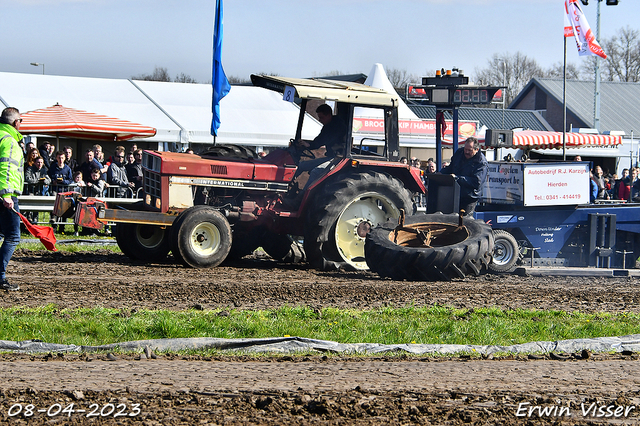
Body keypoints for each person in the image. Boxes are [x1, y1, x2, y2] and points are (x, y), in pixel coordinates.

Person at [284, 104, 347, 207]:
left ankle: (300, 201)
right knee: (301, 166)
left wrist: (309, 145)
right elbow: (319, 140)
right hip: (330, 156)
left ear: (328, 115)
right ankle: (287, 190)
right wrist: (306, 144)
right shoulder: (328, 125)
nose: (320, 120)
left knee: (315, 172)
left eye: (321, 117)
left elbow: (326, 140)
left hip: (338, 158)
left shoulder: (338, 126)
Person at [0, 107, 24, 291]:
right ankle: (0, 276)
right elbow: (6, 169)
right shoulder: (9, 140)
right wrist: (6, 195)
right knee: (13, 236)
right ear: (16, 123)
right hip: (6, 195)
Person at [440, 137, 489, 216]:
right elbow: (451, 167)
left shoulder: (481, 163)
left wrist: (457, 178)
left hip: (470, 197)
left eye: (469, 150)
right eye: (465, 149)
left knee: (465, 221)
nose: (466, 152)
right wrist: (441, 173)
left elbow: (476, 182)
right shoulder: (460, 153)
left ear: (476, 150)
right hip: (455, 193)